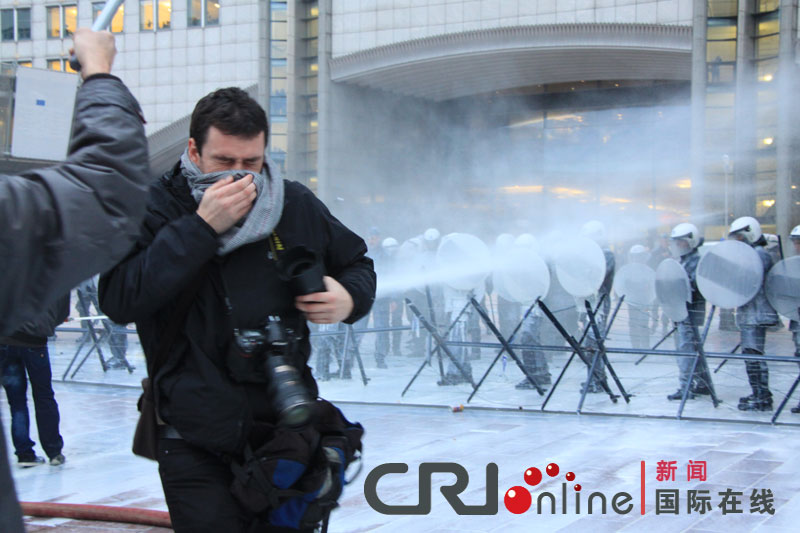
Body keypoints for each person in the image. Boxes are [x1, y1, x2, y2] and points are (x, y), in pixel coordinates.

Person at [98, 87, 376, 533]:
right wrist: (200, 228)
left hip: (285, 425)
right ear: (193, 149)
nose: (240, 177)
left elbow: (358, 262)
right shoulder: (154, 208)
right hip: (192, 435)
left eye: (252, 162)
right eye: (224, 162)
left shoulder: (293, 203)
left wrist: (349, 297)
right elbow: (118, 300)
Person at [0, 28, 150, 533]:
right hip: (31, 340)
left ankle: (35, 449)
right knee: (32, 396)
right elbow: (103, 192)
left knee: (23, 397)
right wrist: (98, 73)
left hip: (20, 340)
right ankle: (46, 448)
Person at [0, 295, 69, 467]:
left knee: (16, 402)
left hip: (6, 340)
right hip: (35, 341)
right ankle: (53, 451)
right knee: (44, 396)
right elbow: (62, 309)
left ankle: (24, 453)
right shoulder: (53, 271)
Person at [728, 217, 779, 411]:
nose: (738, 242)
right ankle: (758, 392)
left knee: (754, 355)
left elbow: (748, 279)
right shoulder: (753, 253)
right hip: (750, 312)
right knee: (750, 355)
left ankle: (762, 396)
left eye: (740, 237)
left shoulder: (759, 254)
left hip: (757, 313)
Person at [665, 223, 712, 401]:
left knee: (686, 350)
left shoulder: (696, 261)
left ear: (689, 242)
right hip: (680, 311)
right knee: (693, 348)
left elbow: (690, 286)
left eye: (681, 242)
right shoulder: (684, 261)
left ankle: (686, 386)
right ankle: (702, 383)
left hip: (689, 311)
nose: (677, 245)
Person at [579, 220, 614, 393]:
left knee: (594, 341)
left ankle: (598, 380)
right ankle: (594, 377)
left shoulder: (606, 255)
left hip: (599, 301)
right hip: (590, 300)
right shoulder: (591, 255)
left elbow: (597, 277)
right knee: (589, 342)